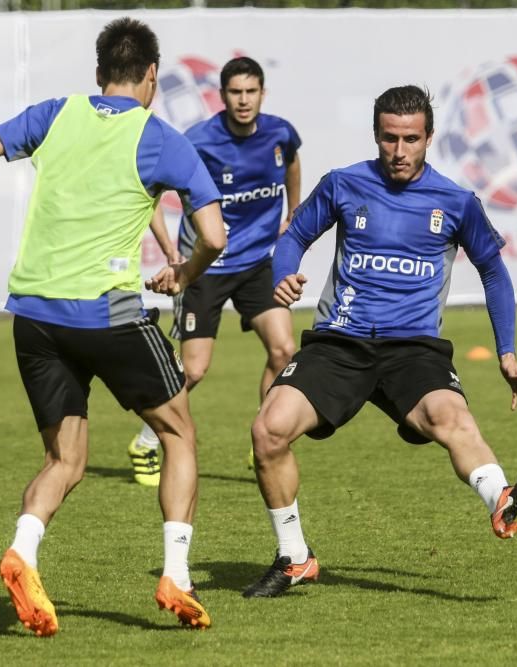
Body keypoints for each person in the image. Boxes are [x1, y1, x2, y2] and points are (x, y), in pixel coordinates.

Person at [0, 18, 226, 633]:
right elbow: (216, 237)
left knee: (65, 459)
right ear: (151, 76)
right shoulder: (163, 138)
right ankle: (177, 575)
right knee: (178, 434)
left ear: (97, 75)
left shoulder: (54, 113)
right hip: (108, 312)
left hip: (34, 315)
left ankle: (24, 551)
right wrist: (185, 273)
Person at [242, 85, 517, 598]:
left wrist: (507, 353)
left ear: (429, 137)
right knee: (267, 432)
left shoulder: (456, 202)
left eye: (411, 138)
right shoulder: (343, 184)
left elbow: (494, 274)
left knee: (451, 418)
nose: (400, 150)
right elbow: (294, 237)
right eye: (390, 138)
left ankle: (502, 501)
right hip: (340, 342)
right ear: (377, 135)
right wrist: (285, 273)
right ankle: (295, 556)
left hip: (413, 348)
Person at [127, 56, 301, 485]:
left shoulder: (281, 133)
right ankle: (147, 440)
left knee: (284, 351)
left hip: (258, 263)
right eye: (235, 92)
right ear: (222, 96)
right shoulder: (198, 140)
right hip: (206, 266)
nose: (244, 100)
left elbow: (292, 163)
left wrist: (293, 213)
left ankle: (266, 437)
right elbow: (151, 192)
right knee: (196, 370)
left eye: (251, 91)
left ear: (262, 93)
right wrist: (171, 250)